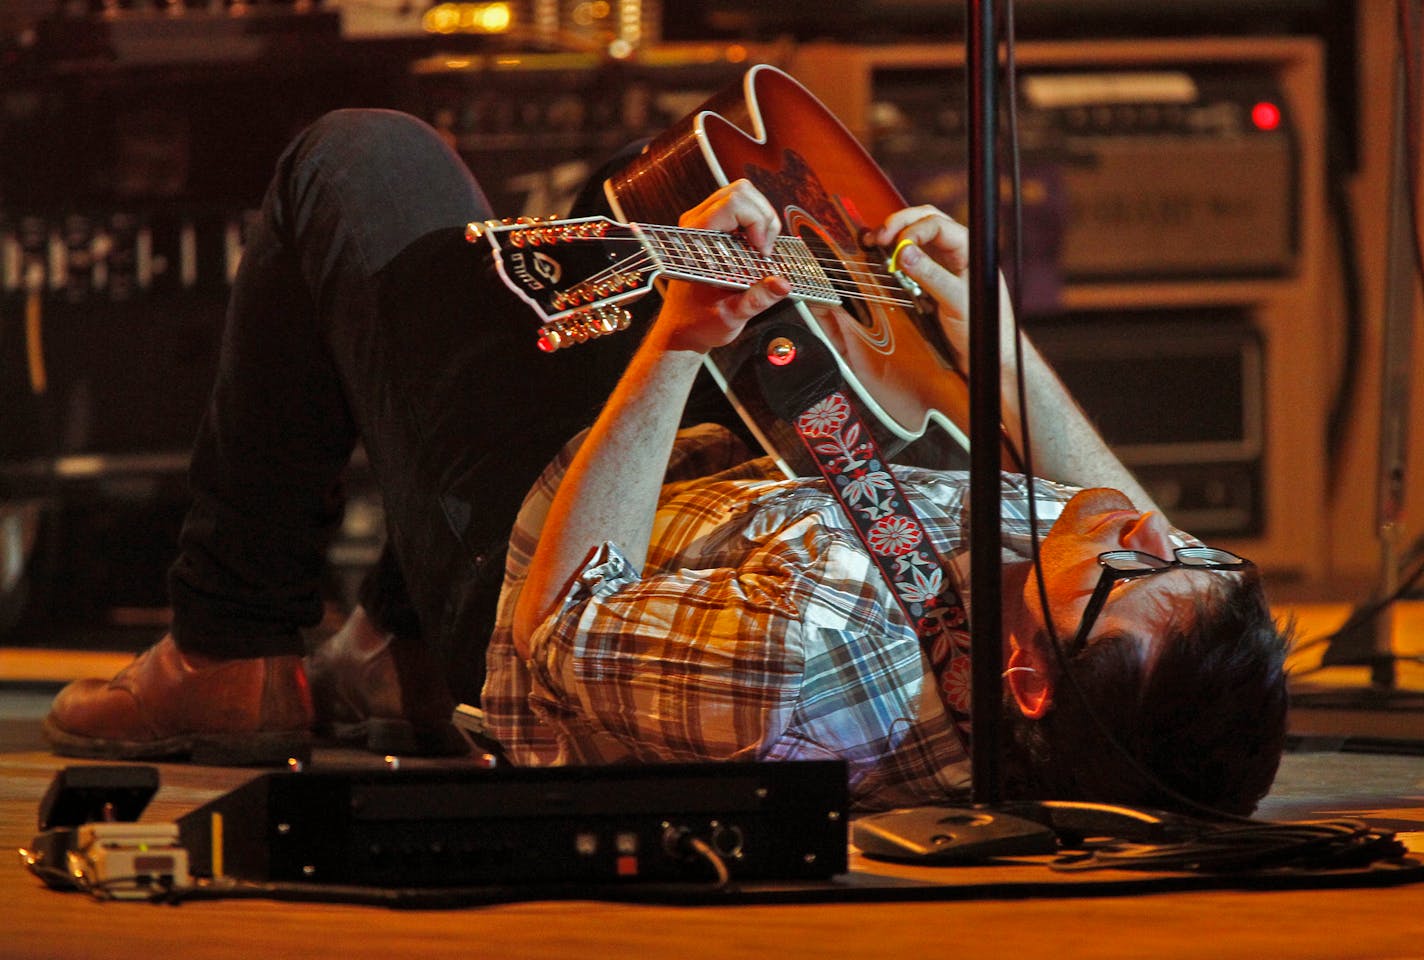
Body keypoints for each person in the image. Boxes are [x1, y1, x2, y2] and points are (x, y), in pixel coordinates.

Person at [41, 103, 1289, 815]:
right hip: (743, 463)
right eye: (1186, 553)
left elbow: (560, 626)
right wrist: (998, 342)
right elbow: (1122, 519)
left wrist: (676, 345)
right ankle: (387, 644)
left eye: (1137, 567)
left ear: (1026, 680)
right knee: (667, 195)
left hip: (537, 550)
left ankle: (229, 645)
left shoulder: (794, 685)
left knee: (362, 163)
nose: (1137, 524)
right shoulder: (1075, 636)